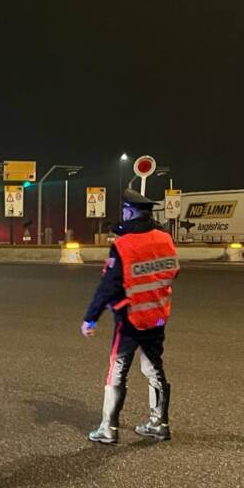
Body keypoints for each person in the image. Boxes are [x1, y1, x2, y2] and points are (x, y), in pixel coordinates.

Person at [81, 189, 179, 444]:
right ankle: (160, 424)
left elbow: (109, 285)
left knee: (117, 370)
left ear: (130, 212)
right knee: (154, 368)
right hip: (157, 314)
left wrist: (91, 317)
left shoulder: (124, 244)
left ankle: (108, 428)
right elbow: (172, 272)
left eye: (125, 210)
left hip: (130, 317)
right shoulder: (165, 239)